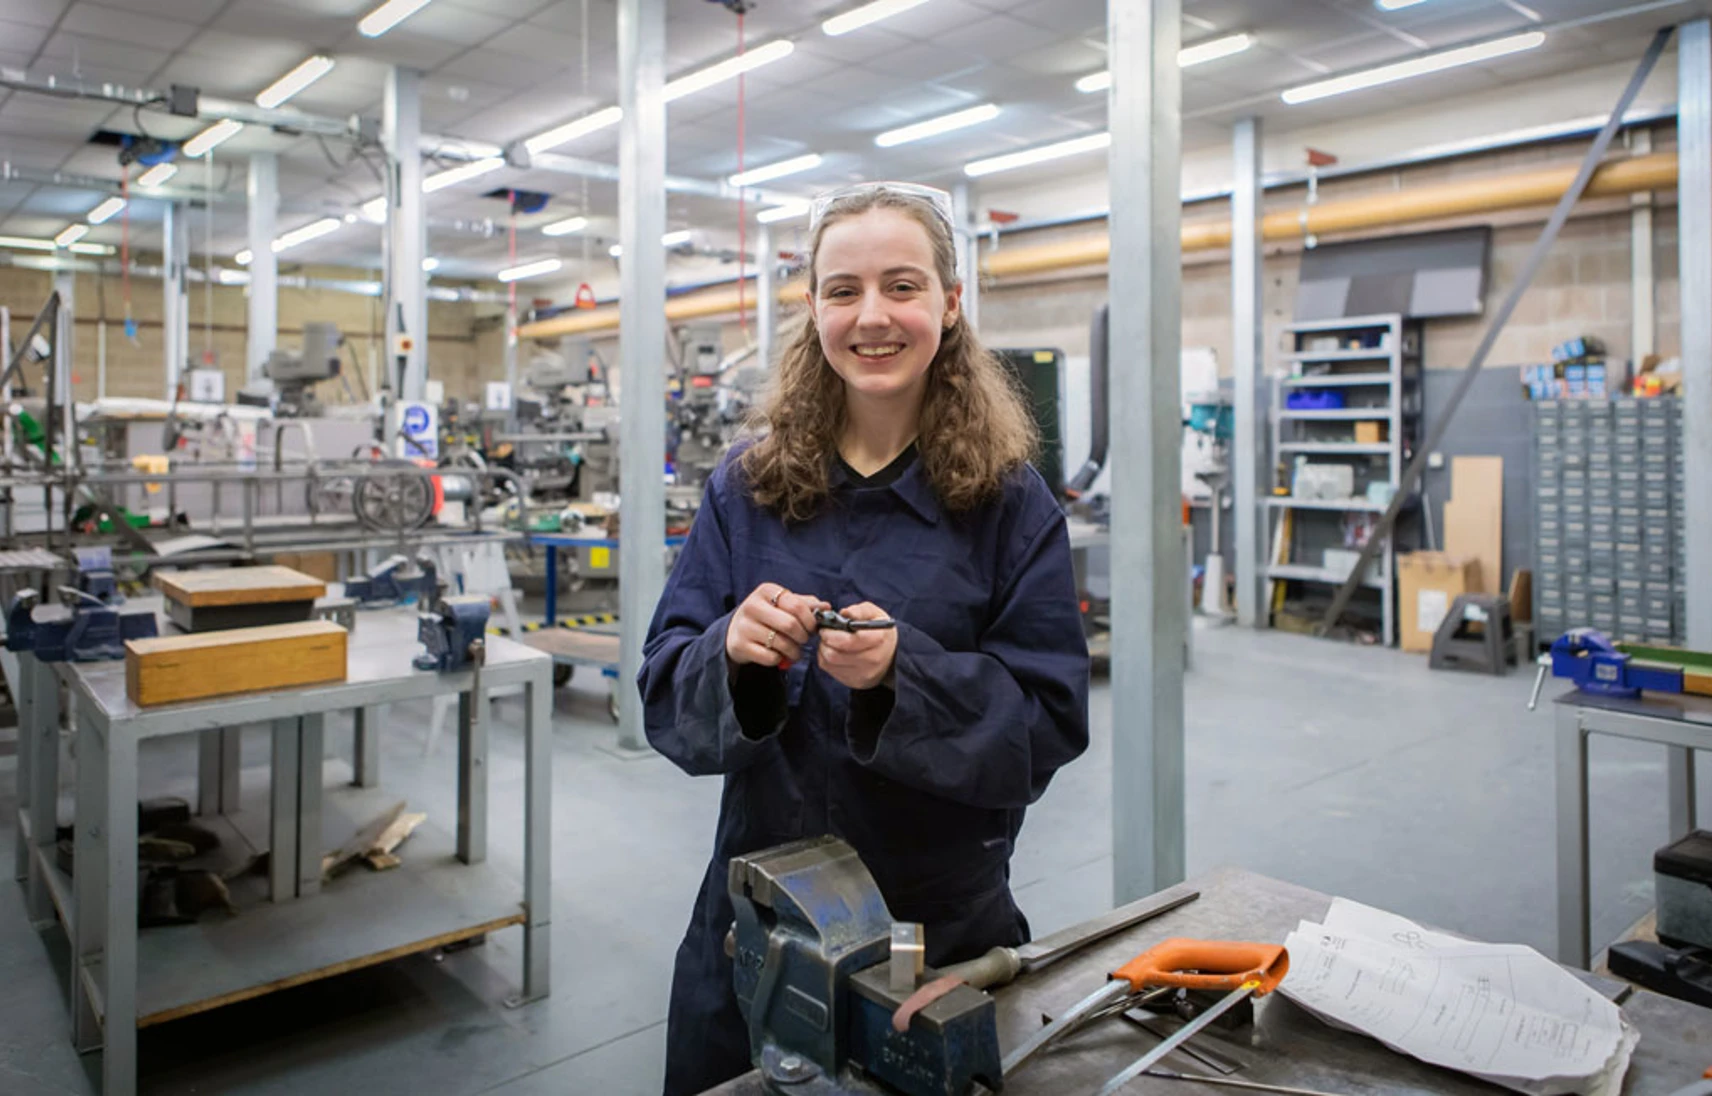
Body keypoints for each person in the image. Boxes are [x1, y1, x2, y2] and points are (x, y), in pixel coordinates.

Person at [638, 181, 1090, 1095]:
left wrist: (901, 675)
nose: (871, 316)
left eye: (902, 286)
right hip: (755, 927)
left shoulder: (1010, 504)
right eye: (843, 290)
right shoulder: (745, 488)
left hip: (937, 940)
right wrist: (733, 652)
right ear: (812, 308)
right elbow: (662, 695)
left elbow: (1049, 723)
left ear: (949, 305)